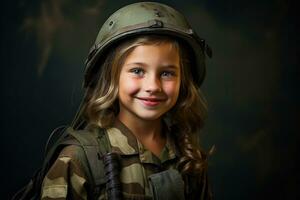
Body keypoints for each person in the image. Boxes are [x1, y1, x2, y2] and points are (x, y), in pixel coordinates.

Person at [40, 2, 213, 200]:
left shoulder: (188, 157)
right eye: (137, 71)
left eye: (166, 73)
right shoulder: (80, 160)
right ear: (112, 77)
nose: (153, 86)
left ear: (183, 80)